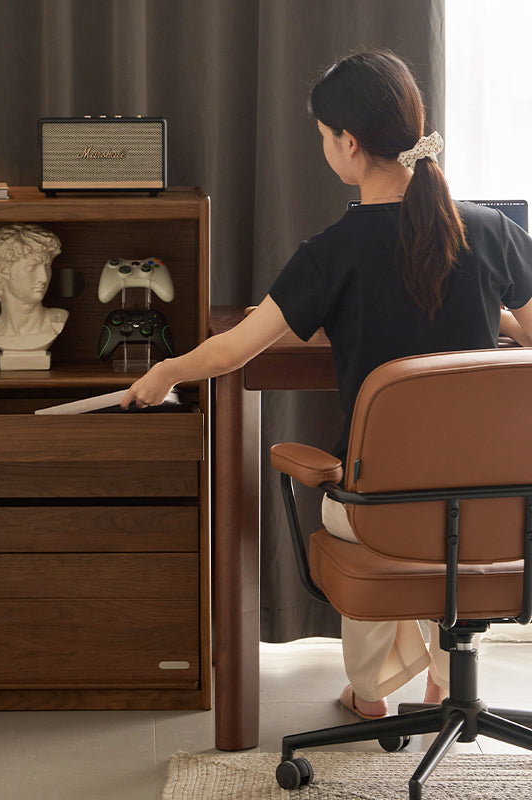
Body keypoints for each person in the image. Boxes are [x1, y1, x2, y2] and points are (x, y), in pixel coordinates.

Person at [121, 49, 532, 719]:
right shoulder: (491, 232)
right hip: (496, 508)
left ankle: (370, 694)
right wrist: (502, 328)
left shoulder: (330, 254)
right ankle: (443, 680)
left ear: (349, 142)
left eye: (322, 135)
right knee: (441, 510)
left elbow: (235, 350)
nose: (323, 147)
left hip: (380, 511)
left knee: (370, 504)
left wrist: (165, 370)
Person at [0, 223, 68, 368]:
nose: (44, 278)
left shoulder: (57, 322)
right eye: (33, 267)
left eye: (47, 266)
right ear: (4, 270)